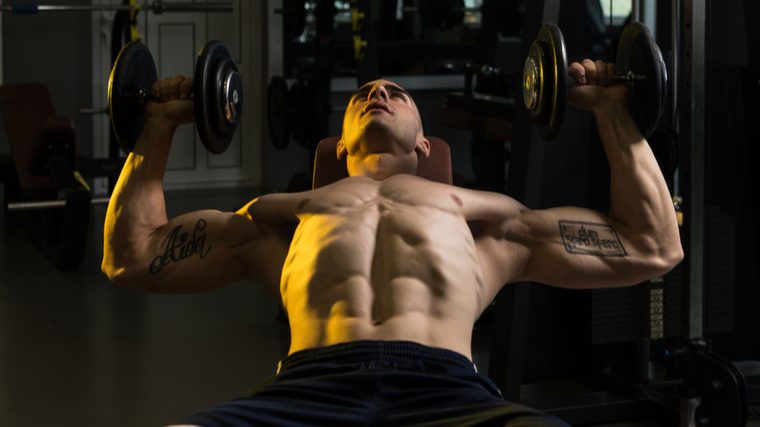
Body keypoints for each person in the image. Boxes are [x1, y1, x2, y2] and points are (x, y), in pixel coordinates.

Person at [102, 58, 683, 427]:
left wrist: (614, 114)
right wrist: (155, 126)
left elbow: (653, 246)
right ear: (339, 145)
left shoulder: (491, 221)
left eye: (395, 92)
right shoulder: (278, 218)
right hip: (307, 394)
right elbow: (131, 256)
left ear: (425, 145)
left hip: (450, 397)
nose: (377, 90)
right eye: (363, 94)